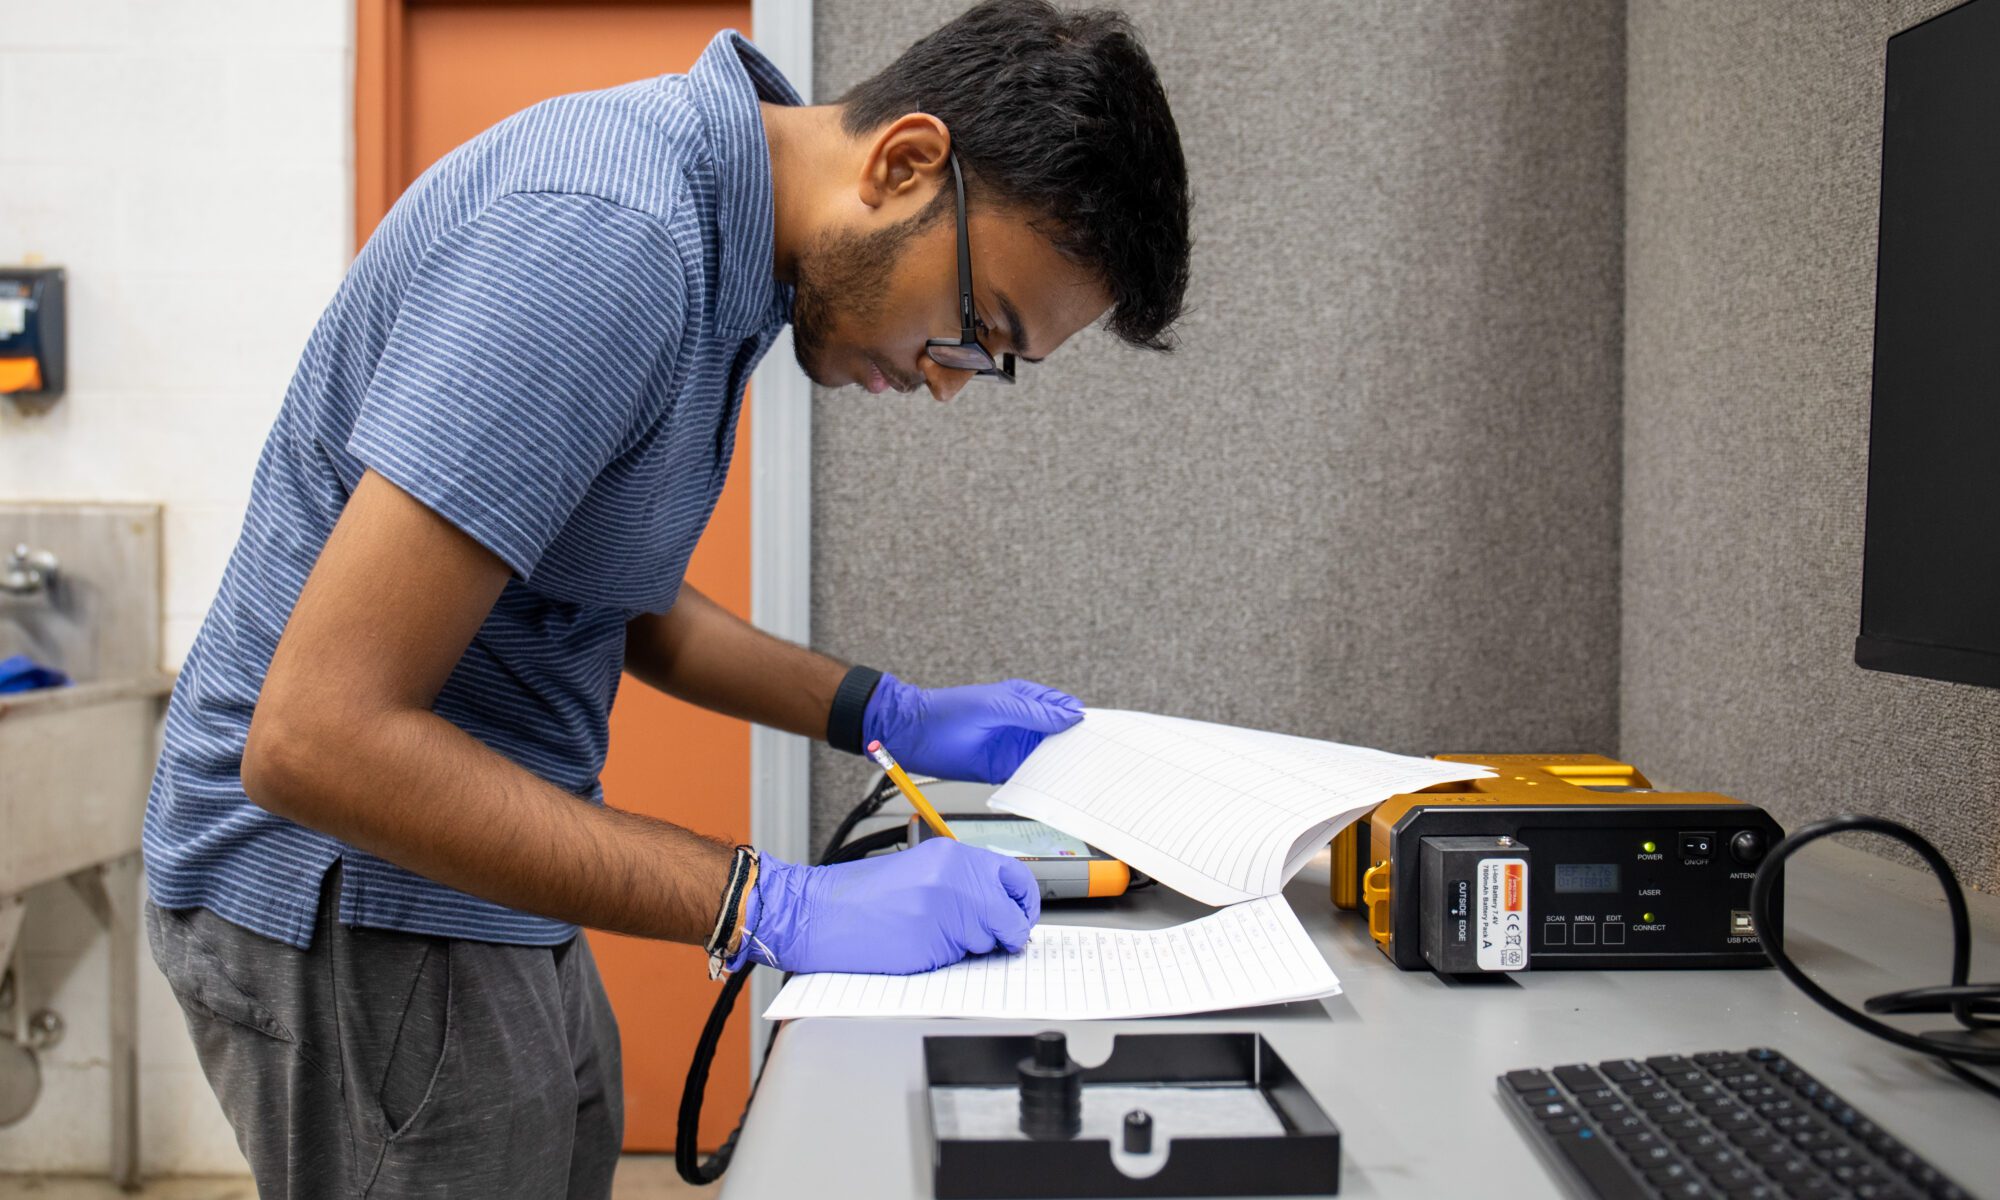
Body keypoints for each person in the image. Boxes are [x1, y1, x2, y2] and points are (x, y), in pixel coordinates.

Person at [141, 0, 1191, 1193]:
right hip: (348, 886)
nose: (948, 385)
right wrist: (771, 904)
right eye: (973, 328)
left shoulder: (730, 243)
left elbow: (617, 592)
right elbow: (314, 740)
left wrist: (885, 711)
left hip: (469, 868)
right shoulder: (613, 240)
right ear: (903, 165)